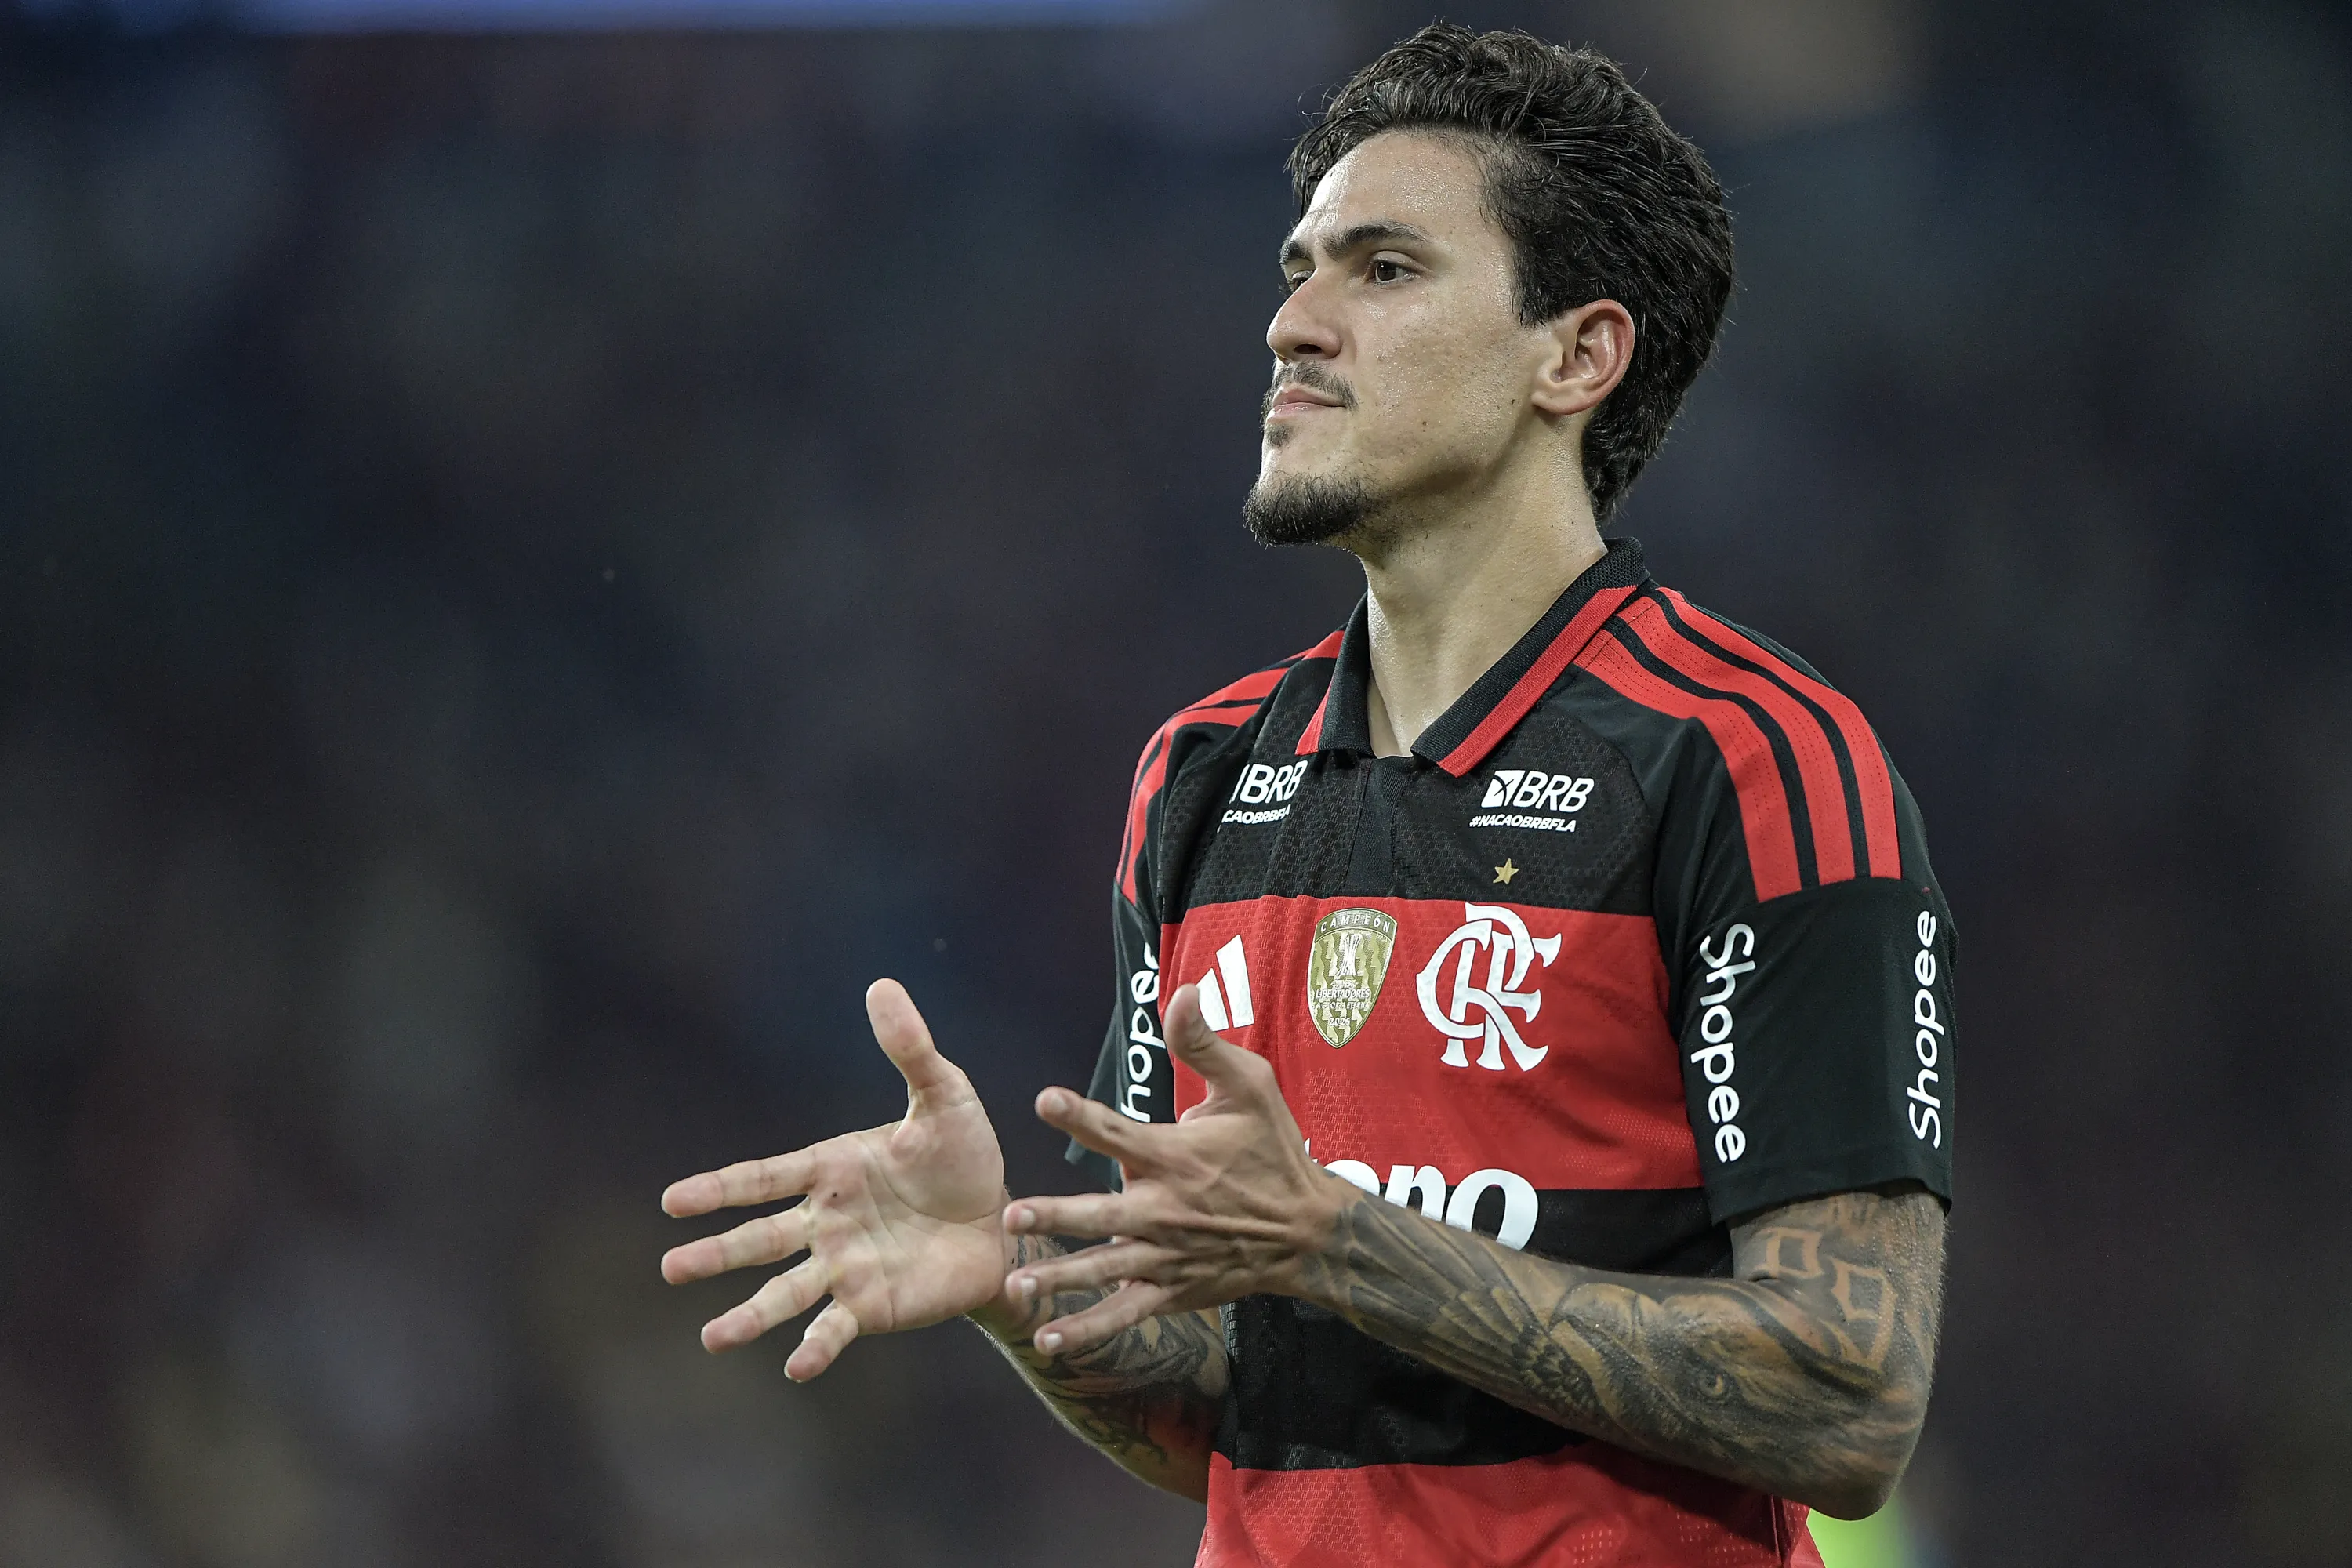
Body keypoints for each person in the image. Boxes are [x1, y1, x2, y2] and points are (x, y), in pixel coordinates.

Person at [659, 23, 1952, 1567]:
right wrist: (1008, 1278)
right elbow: (1220, 1406)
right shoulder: (1200, 776)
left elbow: (1847, 1399)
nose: (1293, 322)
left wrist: (1339, 1238)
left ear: (1576, 356)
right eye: (1300, 264)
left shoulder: (1754, 761)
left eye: (1385, 269)